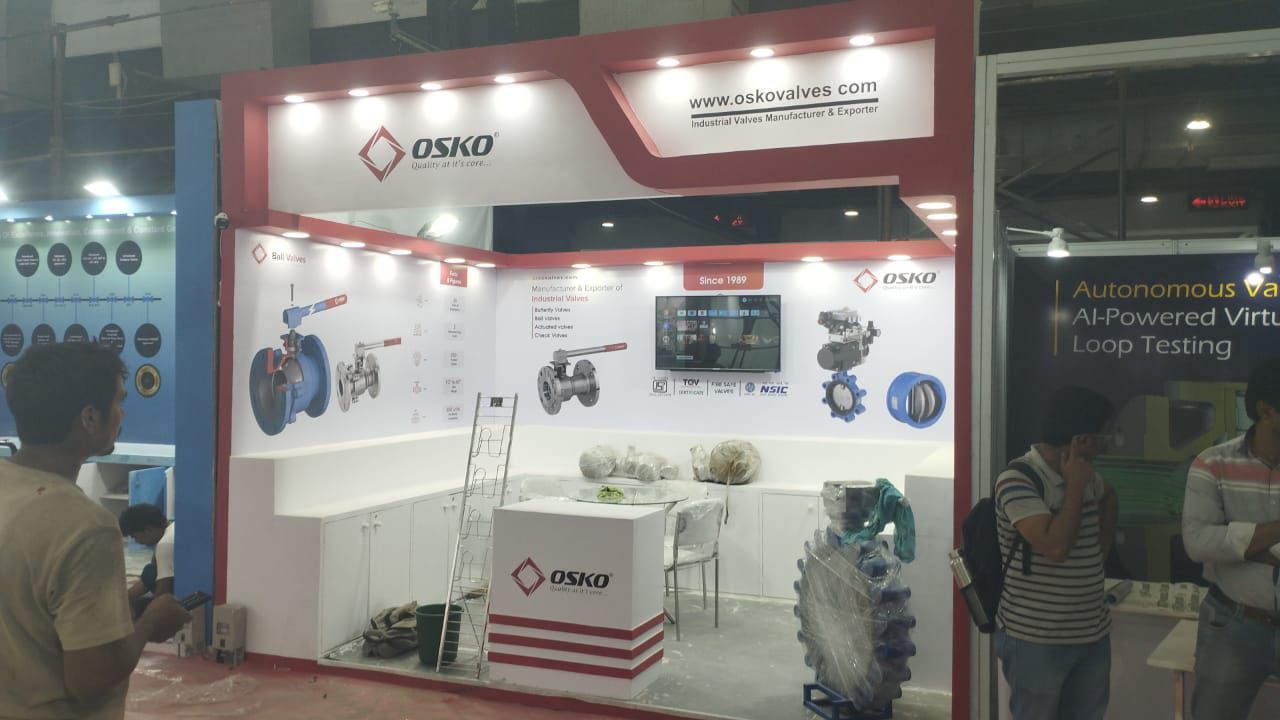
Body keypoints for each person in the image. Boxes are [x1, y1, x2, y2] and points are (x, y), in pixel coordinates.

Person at [0, 343, 189, 720]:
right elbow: (91, 677)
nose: (122, 414)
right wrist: (150, 622)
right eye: (118, 402)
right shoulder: (85, 526)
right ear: (89, 417)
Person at [994, 385, 1119, 720]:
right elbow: (1055, 546)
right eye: (1102, 436)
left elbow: (1109, 497)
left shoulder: (1088, 476)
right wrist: (1074, 487)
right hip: (1036, 639)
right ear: (1081, 440)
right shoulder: (1018, 479)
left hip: (1092, 633)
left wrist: (1098, 555)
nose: (1106, 444)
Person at [1183, 358, 1280, 720]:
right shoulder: (1212, 464)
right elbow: (1198, 542)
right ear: (1266, 410)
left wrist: (1243, 545)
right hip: (1233, 625)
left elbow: (1218, 541)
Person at [118, 503, 176, 618]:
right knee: (150, 571)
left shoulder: (165, 544)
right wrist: (123, 598)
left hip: (181, 598)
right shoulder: (172, 526)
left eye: (135, 537)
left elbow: (164, 590)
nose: (137, 542)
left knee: (136, 609)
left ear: (148, 530)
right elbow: (149, 579)